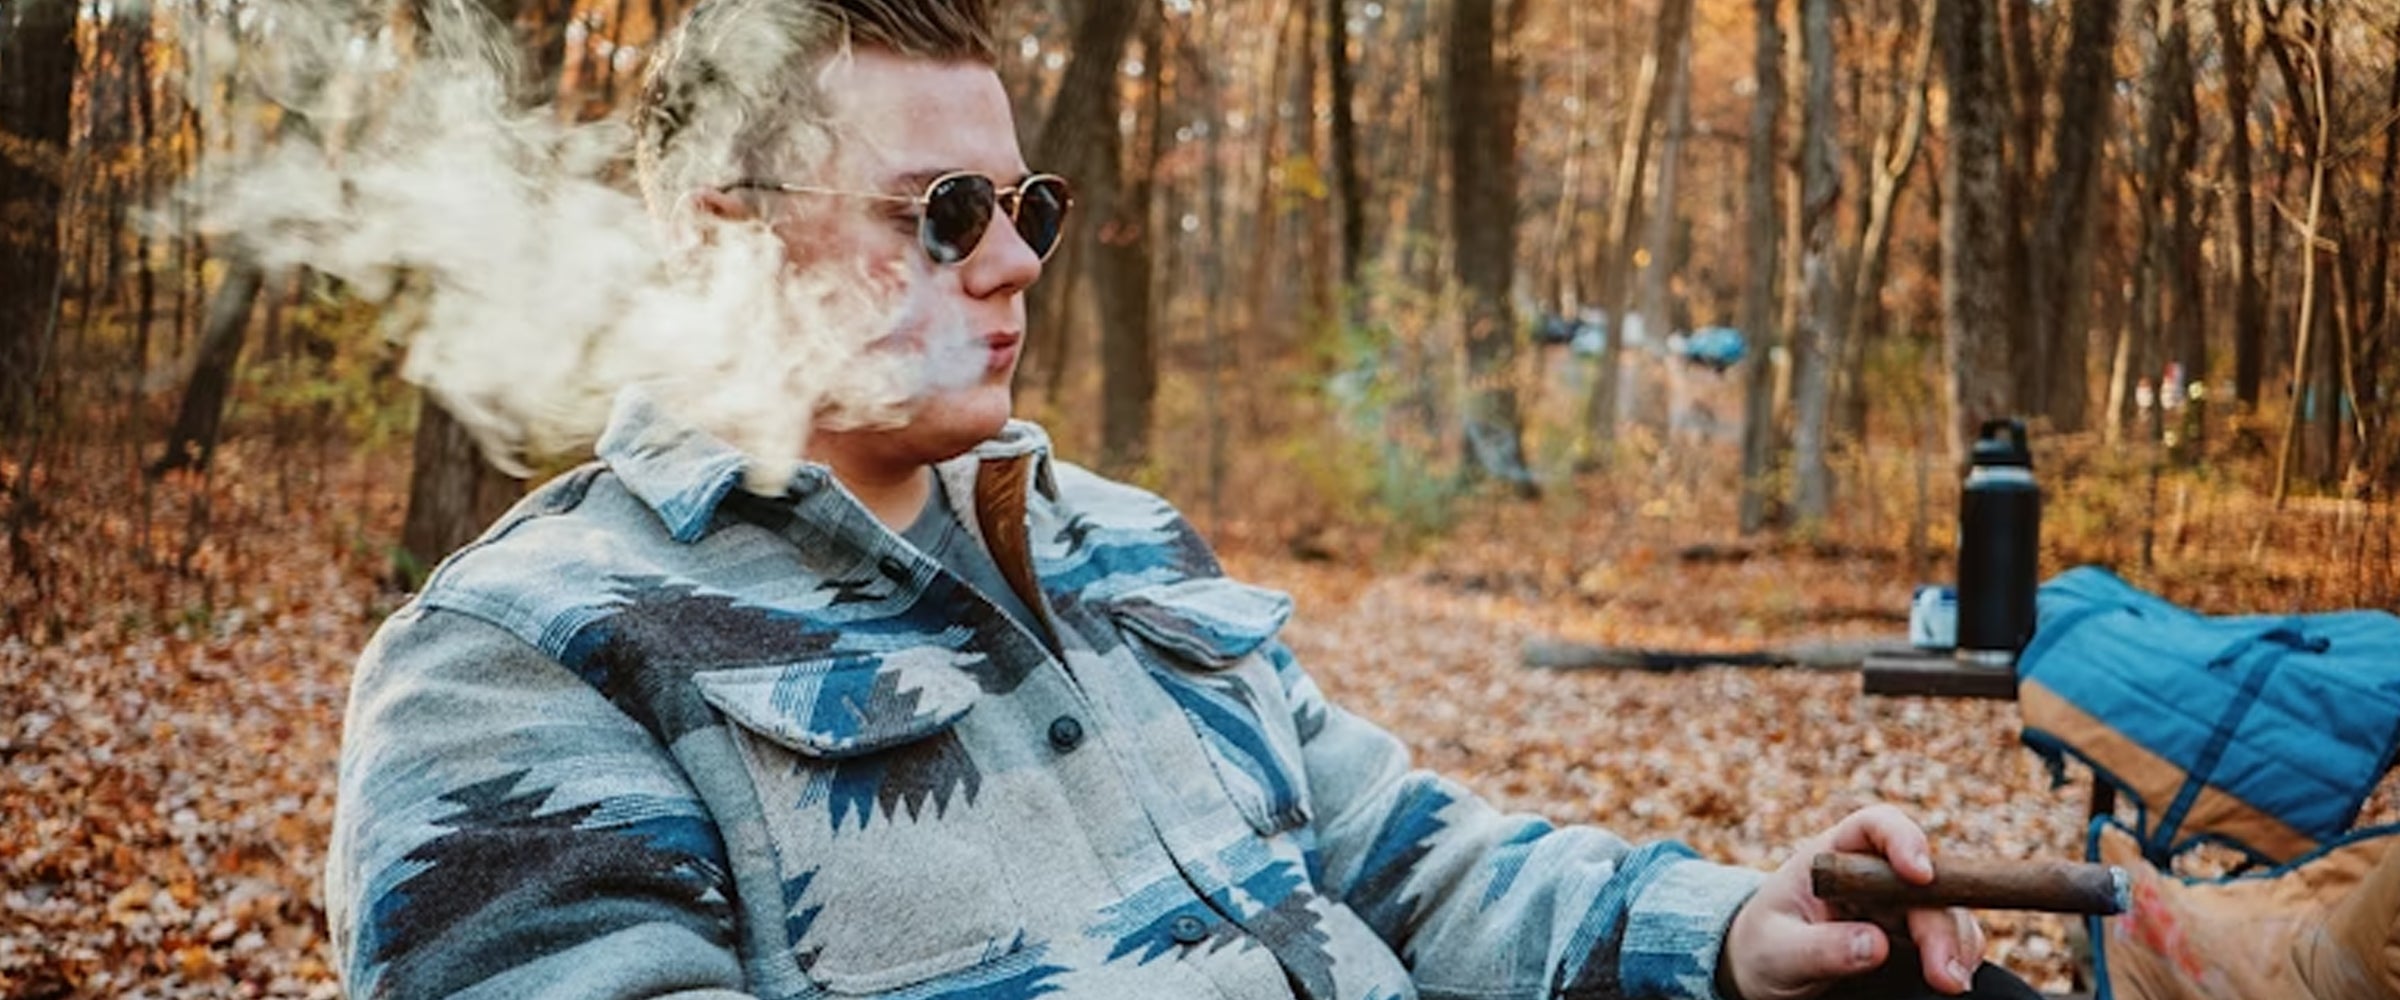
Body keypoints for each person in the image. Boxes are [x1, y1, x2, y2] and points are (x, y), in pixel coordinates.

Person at [324, 2, 2043, 998]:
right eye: (940, 212)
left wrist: (1736, 924)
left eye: (1027, 208)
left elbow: (1413, 865)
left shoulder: (1110, 540)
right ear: (721, 236)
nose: (1011, 266)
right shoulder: (524, 661)